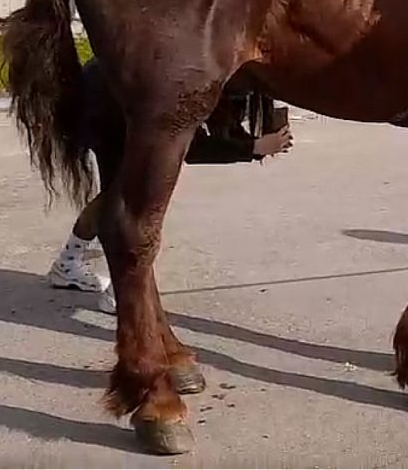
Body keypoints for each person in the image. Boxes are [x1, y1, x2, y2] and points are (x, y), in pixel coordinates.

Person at [46, 57, 292, 313]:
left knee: (119, 195)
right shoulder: (199, 75)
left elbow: (218, 127)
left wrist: (255, 145)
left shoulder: (226, 71)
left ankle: (68, 265)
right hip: (109, 105)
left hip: (113, 93)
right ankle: (120, 291)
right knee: (131, 200)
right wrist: (254, 147)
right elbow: (190, 148)